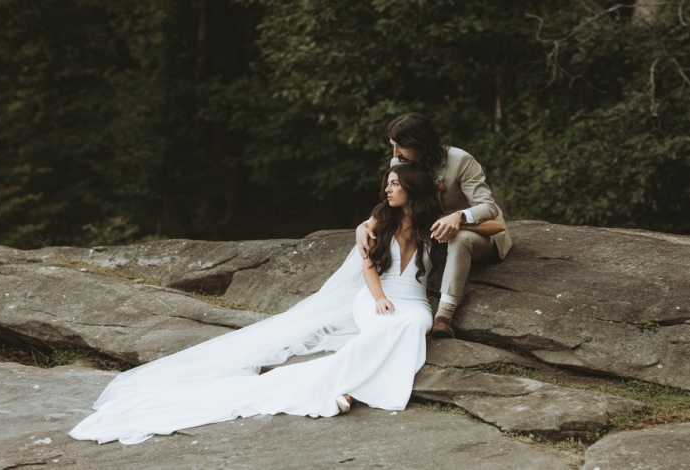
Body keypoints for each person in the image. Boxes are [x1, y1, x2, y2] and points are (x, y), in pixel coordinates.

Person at [70, 163, 495, 445]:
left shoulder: (430, 224)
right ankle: (340, 386)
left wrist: (462, 218)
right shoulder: (373, 223)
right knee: (386, 325)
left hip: (414, 302)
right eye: (386, 182)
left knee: (411, 326)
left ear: (413, 189)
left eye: (395, 182)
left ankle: (344, 384)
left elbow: (497, 223)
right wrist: (380, 298)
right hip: (376, 299)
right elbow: (367, 267)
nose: (387, 187)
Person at [356, 113, 512, 338]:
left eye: (400, 147)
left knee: (459, 238)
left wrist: (458, 217)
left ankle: (444, 316)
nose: (395, 154)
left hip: (473, 231)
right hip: (431, 234)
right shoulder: (399, 163)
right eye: (393, 146)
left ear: (419, 143)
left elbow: (489, 207)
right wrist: (363, 226)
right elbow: (389, 203)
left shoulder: (461, 161)